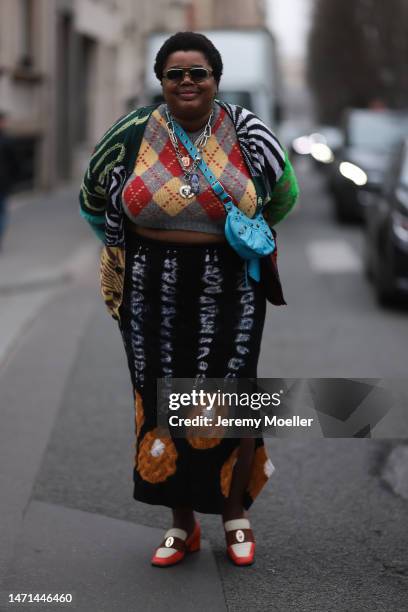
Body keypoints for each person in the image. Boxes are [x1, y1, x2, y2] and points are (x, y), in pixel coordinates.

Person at [79, 31, 299, 567]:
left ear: (215, 80)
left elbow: (284, 193)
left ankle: (233, 515)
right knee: (160, 400)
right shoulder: (132, 131)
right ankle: (180, 525)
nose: (186, 81)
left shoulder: (247, 131)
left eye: (197, 72)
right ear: (161, 80)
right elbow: (92, 196)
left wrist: (242, 235)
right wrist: (130, 246)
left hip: (230, 286)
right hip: (150, 289)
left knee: (230, 398)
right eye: (175, 72)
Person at [0, 112, 20, 252]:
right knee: (2, 213)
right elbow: (16, 163)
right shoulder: (7, 141)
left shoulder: (8, 140)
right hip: (3, 183)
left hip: (3, 183)